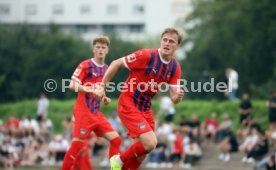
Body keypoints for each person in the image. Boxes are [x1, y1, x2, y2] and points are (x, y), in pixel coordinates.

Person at [95, 27, 184, 170]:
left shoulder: (174, 67)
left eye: (171, 41)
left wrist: (178, 96)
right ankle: (117, 160)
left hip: (145, 108)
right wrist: (101, 87)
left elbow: (174, 98)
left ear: (177, 46)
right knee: (150, 143)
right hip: (128, 103)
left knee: (141, 153)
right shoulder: (146, 55)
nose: (167, 43)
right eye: (165, 40)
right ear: (161, 41)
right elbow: (116, 63)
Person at [61, 36, 122, 170]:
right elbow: (72, 85)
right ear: (93, 49)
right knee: (77, 145)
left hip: (96, 113)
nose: (100, 50)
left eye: (103, 47)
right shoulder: (85, 65)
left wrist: (104, 97)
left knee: (116, 139)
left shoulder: (107, 68)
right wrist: (90, 88)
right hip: (83, 111)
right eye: (98, 47)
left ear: (107, 50)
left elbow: (100, 90)